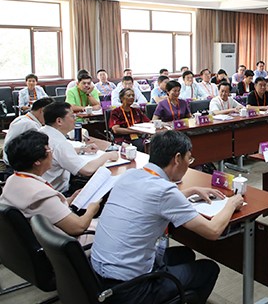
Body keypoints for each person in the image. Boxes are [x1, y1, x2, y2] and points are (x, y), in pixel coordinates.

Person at [91, 130, 244, 304]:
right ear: (177, 158)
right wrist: (232, 203)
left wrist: (192, 191)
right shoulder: (165, 191)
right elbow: (213, 231)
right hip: (130, 289)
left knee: (185, 253)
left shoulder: (130, 174)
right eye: (189, 159)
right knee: (209, 269)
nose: (189, 164)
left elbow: (152, 200)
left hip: (97, 277)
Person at [0, 130, 99, 236]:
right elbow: (78, 227)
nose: (51, 153)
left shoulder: (13, 180)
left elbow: (45, 208)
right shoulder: (39, 194)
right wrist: (92, 209)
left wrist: (69, 200)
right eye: (48, 150)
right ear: (37, 161)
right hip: (56, 242)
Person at [41, 102, 119, 194]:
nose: (75, 118)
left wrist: (82, 149)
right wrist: (108, 155)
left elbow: (57, 154)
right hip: (58, 193)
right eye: (72, 116)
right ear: (59, 121)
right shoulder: (60, 144)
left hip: (41, 188)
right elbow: (87, 170)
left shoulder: (43, 132)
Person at [3, 97, 54, 166]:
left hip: (14, 161)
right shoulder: (29, 125)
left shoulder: (22, 119)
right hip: (17, 165)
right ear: (42, 110)